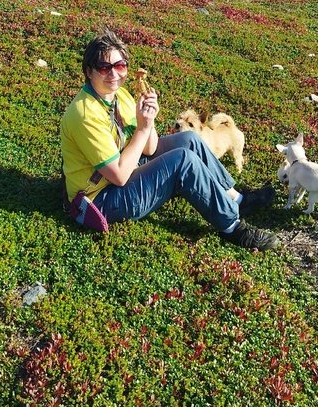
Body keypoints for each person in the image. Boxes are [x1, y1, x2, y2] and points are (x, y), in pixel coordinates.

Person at [60, 29, 279, 250]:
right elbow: (118, 176)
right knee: (182, 161)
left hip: (126, 170)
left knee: (189, 140)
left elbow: (151, 147)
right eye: (104, 68)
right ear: (89, 71)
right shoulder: (85, 114)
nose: (115, 75)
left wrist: (148, 119)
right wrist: (143, 129)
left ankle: (237, 200)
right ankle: (231, 227)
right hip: (101, 198)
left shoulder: (120, 95)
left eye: (120, 66)